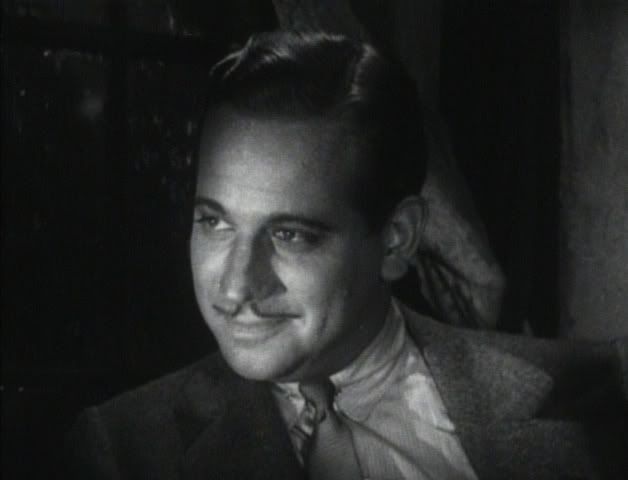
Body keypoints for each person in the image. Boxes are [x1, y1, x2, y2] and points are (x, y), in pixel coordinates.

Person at [67, 31, 627, 480]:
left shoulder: (593, 400)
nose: (235, 287)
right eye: (214, 222)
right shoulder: (121, 451)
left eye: (290, 235)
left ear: (396, 240)